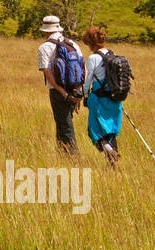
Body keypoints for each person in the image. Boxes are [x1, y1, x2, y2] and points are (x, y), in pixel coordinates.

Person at [37, 14, 84, 156]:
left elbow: (47, 72)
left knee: (64, 125)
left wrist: (63, 93)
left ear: (46, 31)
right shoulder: (73, 44)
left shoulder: (44, 47)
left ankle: (73, 157)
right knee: (64, 123)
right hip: (75, 90)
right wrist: (79, 91)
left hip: (58, 92)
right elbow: (83, 67)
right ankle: (63, 154)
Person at [82, 25, 123, 165]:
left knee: (94, 131)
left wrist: (84, 95)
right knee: (110, 131)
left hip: (98, 98)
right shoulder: (112, 53)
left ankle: (108, 150)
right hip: (115, 98)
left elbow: (88, 80)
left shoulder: (93, 58)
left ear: (91, 43)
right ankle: (113, 163)